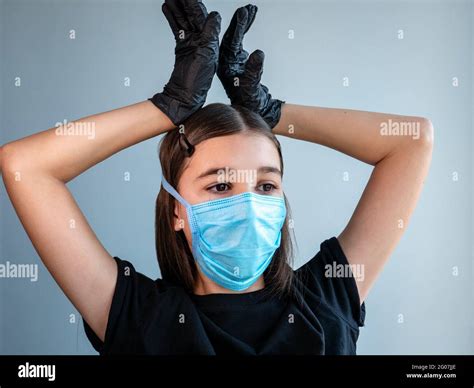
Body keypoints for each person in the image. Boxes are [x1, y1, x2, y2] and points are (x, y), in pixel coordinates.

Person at [0, 0, 433, 355]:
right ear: (175, 210)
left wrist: (274, 115)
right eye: (220, 185)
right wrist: (167, 107)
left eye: (266, 185)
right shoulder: (138, 316)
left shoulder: (327, 296)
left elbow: (412, 140)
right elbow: (24, 165)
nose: (248, 205)